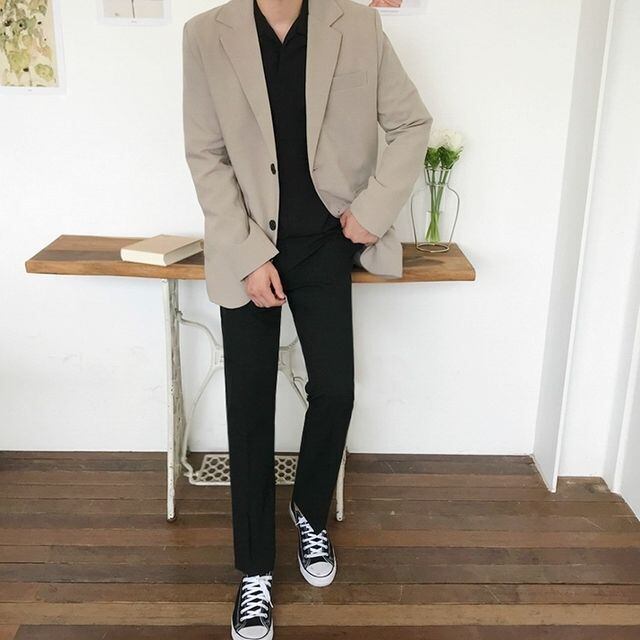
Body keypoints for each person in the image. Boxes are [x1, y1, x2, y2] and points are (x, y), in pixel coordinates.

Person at [182, 1, 432, 637]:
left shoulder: (358, 24)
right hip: (247, 243)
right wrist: (246, 254)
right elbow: (206, 155)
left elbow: (411, 122)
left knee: (336, 389)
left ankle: (309, 510)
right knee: (249, 409)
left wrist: (373, 211)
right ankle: (254, 572)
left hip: (326, 240)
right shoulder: (205, 34)